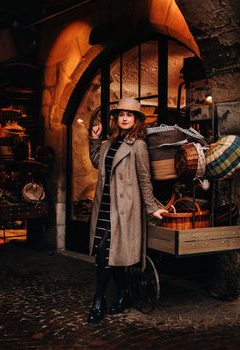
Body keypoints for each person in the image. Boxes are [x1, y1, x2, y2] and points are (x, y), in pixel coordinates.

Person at [87, 97, 168, 324]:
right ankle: (124, 295)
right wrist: (94, 138)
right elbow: (96, 162)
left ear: (137, 120)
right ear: (116, 118)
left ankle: (98, 300)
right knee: (110, 255)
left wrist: (152, 207)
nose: (124, 118)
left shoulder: (138, 146)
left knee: (105, 253)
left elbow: (145, 179)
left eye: (129, 115)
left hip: (123, 209)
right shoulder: (107, 144)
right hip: (103, 206)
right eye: (121, 114)